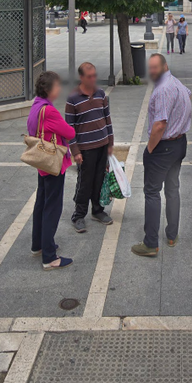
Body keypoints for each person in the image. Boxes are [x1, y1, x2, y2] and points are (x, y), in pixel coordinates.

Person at [132, 54, 192, 257]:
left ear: (164, 66)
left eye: (155, 67)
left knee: (151, 192)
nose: (152, 71)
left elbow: (160, 124)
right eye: (151, 68)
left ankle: (150, 243)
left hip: (164, 147)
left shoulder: (164, 89)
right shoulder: (176, 82)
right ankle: (172, 235)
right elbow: (188, 96)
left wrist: (149, 149)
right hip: (179, 144)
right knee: (173, 188)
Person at [28, 71, 80, 270]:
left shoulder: (36, 105)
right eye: (57, 86)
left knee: (41, 203)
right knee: (52, 207)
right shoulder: (49, 111)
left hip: (42, 163)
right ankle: (50, 257)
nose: (60, 89)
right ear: (49, 90)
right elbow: (70, 132)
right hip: (53, 164)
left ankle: (38, 244)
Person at [64, 62, 115, 233]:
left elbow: (107, 119)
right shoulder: (72, 99)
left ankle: (97, 210)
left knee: (99, 179)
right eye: (89, 76)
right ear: (81, 78)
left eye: (94, 75)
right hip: (85, 149)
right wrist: (75, 151)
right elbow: (69, 128)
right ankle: (78, 215)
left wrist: (110, 143)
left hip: (102, 144)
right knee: (84, 182)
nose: (93, 79)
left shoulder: (101, 94)